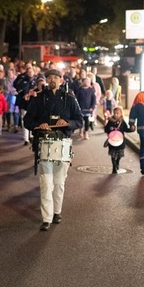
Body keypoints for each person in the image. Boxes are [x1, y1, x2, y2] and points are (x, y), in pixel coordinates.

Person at [23, 70, 84, 231]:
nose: (52, 80)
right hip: (44, 143)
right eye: (49, 78)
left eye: (55, 78)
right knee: (45, 183)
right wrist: (39, 125)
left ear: (61, 80)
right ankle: (46, 218)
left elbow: (80, 121)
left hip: (62, 144)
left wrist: (68, 123)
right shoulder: (39, 99)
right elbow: (27, 120)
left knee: (59, 183)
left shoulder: (70, 99)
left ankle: (57, 211)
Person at [103, 106, 135, 174]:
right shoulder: (110, 121)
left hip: (120, 141)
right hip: (112, 141)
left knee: (119, 154)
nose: (115, 114)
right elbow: (106, 129)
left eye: (117, 113)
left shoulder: (122, 122)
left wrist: (132, 129)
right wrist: (108, 127)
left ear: (121, 114)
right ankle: (114, 167)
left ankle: (117, 162)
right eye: (114, 113)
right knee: (113, 154)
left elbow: (126, 129)